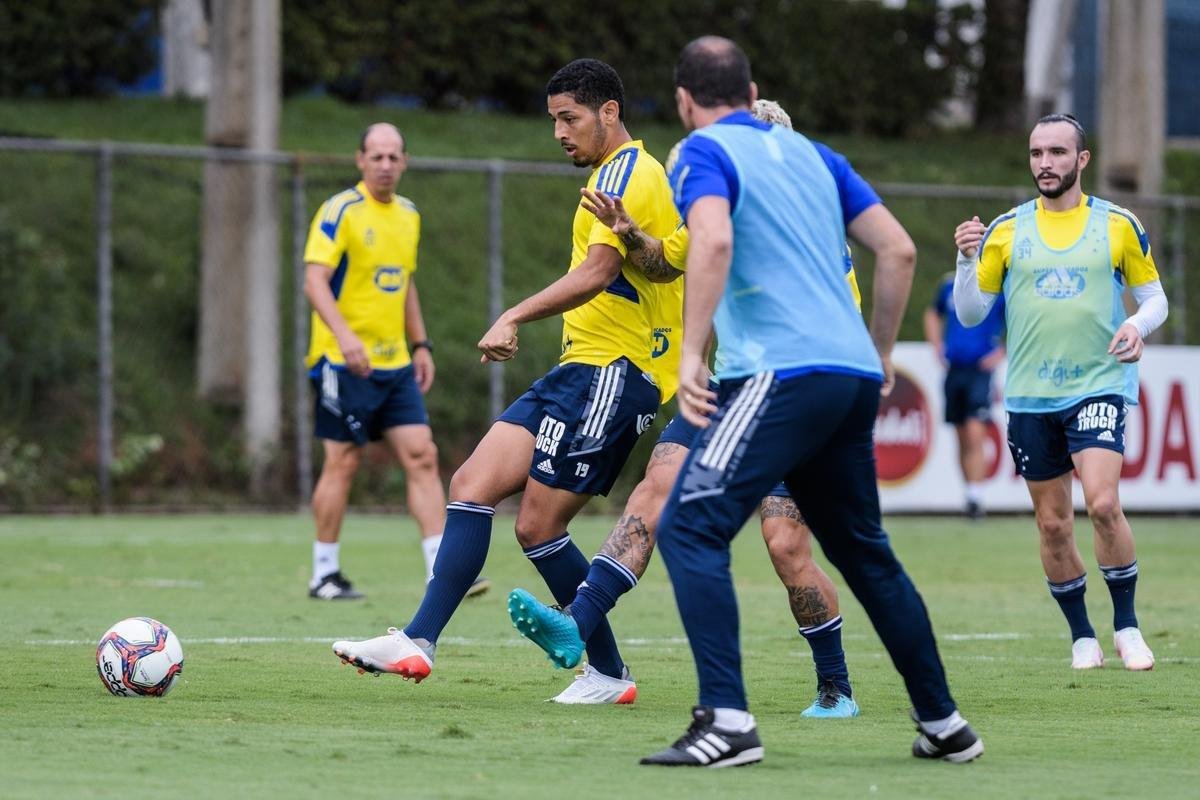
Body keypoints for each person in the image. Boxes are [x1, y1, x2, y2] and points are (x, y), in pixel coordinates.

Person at [623, 36, 979, 768]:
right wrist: (880, 353)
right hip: (848, 373)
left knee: (689, 526)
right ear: (753, 92)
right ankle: (945, 724)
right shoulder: (818, 155)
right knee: (864, 553)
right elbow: (900, 250)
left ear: (686, 101)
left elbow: (712, 243)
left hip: (777, 374)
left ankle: (726, 723)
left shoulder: (701, 152)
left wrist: (692, 352)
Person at [508, 98, 889, 717]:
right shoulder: (714, 217)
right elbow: (664, 262)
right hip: (724, 391)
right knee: (652, 494)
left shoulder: (810, 236)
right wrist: (631, 232)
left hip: (793, 400)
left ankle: (836, 685)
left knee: (786, 546)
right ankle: (576, 621)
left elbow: (842, 311)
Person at [330, 60, 681, 690]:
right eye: (553, 121)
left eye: (568, 118)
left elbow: (601, 271)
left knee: (538, 524)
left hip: (616, 372)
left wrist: (514, 313)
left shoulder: (632, 171)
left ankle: (605, 671)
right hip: (578, 368)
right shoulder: (608, 175)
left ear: (609, 112)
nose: (558, 133)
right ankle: (419, 640)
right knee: (470, 482)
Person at [952, 113, 1166, 671]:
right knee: (1052, 523)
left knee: (1101, 503)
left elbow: (1155, 300)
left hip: (1098, 384)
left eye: (1056, 153)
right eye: (1036, 153)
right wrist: (965, 259)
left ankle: (1127, 626)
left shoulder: (1117, 224)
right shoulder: (1005, 229)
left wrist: (1136, 327)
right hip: (1029, 395)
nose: (1044, 163)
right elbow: (971, 314)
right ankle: (1081, 636)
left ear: (1082, 160)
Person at [302, 123, 487, 601]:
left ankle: (440, 571)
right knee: (343, 461)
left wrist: (421, 344)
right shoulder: (340, 210)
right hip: (341, 364)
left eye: (393, 157)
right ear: (360, 160)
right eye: (376, 156)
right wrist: (345, 339)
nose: (385, 165)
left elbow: (404, 284)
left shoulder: (408, 215)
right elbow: (314, 282)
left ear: (404, 162)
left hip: (395, 364)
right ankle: (324, 573)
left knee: (422, 455)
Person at [923, 272, 1005, 520]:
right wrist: (937, 345)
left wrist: (1002, 350)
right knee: (961, 435)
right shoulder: (949, 284)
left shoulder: (996, 287)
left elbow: (1020, 318)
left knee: (975, 431)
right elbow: (932, 313)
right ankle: (970, 494)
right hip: (955, 369)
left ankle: (977, 497)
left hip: (980, 370)